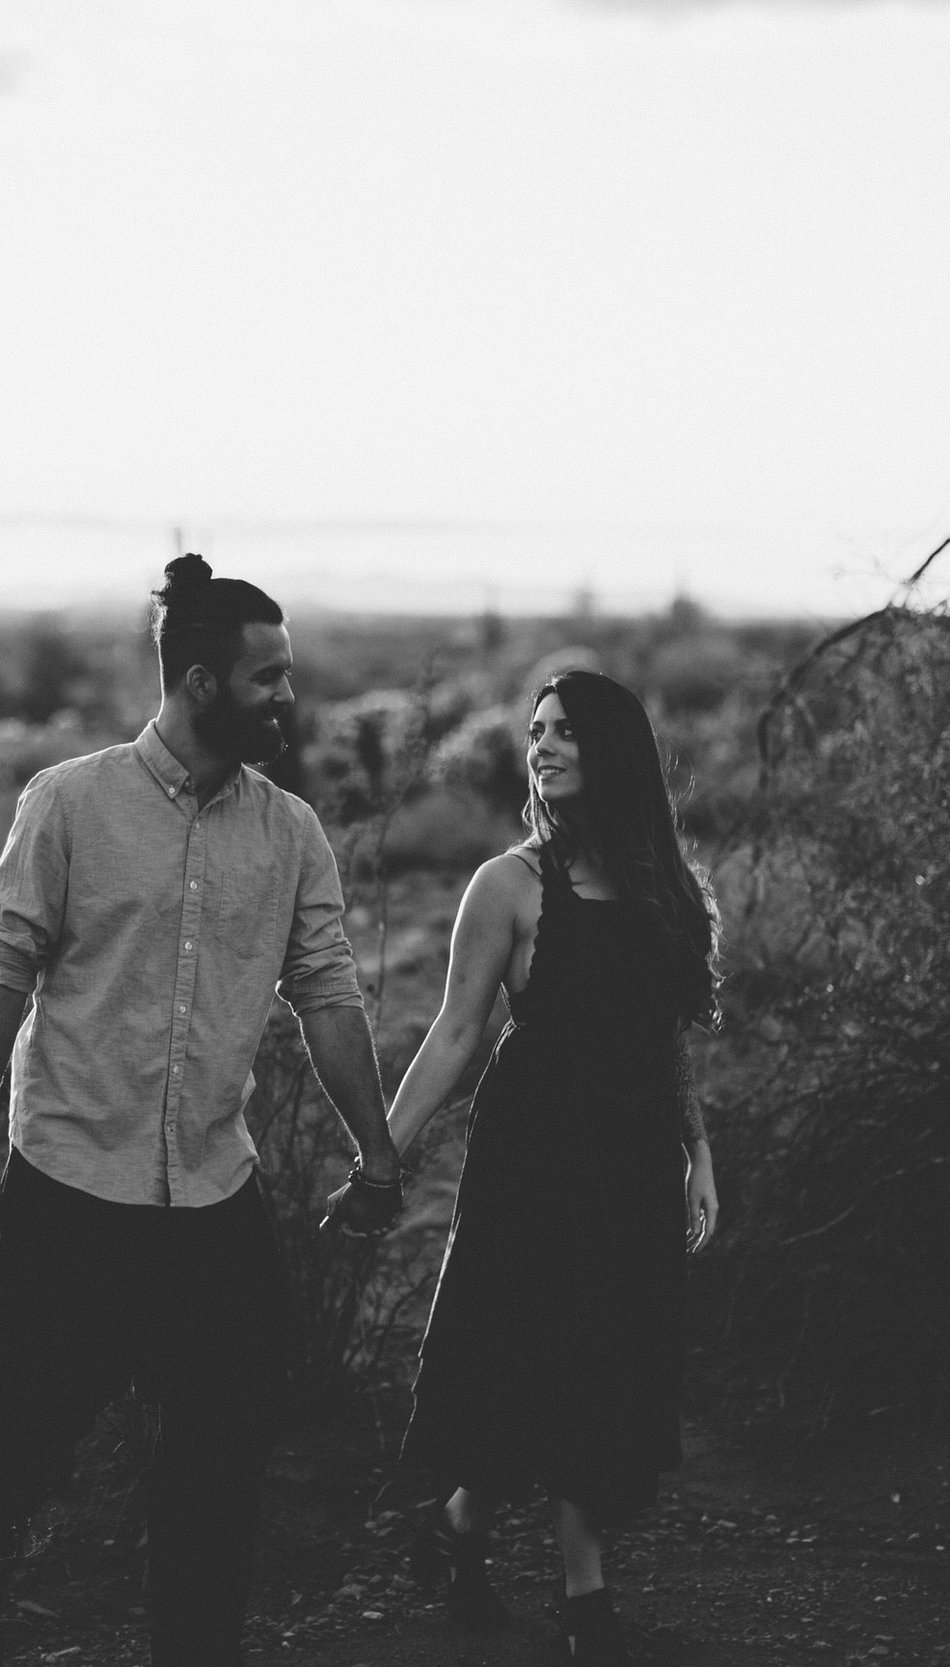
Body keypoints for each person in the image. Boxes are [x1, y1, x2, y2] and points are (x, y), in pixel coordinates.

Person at [0, 556, 406, 1667]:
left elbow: (329, 992)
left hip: (210, 1190)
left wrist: (374, 1148)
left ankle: (194, 1640)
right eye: (267, 677)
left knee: (225, 1441)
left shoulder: (289, 831)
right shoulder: (69, 802)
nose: (289, 697)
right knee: (12, 1435)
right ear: (198, 680)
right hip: (70, 1184)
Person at [386, 669, 721, 1664]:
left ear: (611, 748)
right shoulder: (509, 883)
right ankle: (584, 1583)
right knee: (529, 1347)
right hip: (532, 1153)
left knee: (605, 1354)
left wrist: (696, 1152)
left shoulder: (668, 886)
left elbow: (666, 1043)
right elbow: (453, 1032)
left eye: (565, 730)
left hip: (630, 1159)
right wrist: (382, 1153)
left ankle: (455, 1525)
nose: (542, 744)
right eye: (535, 731)